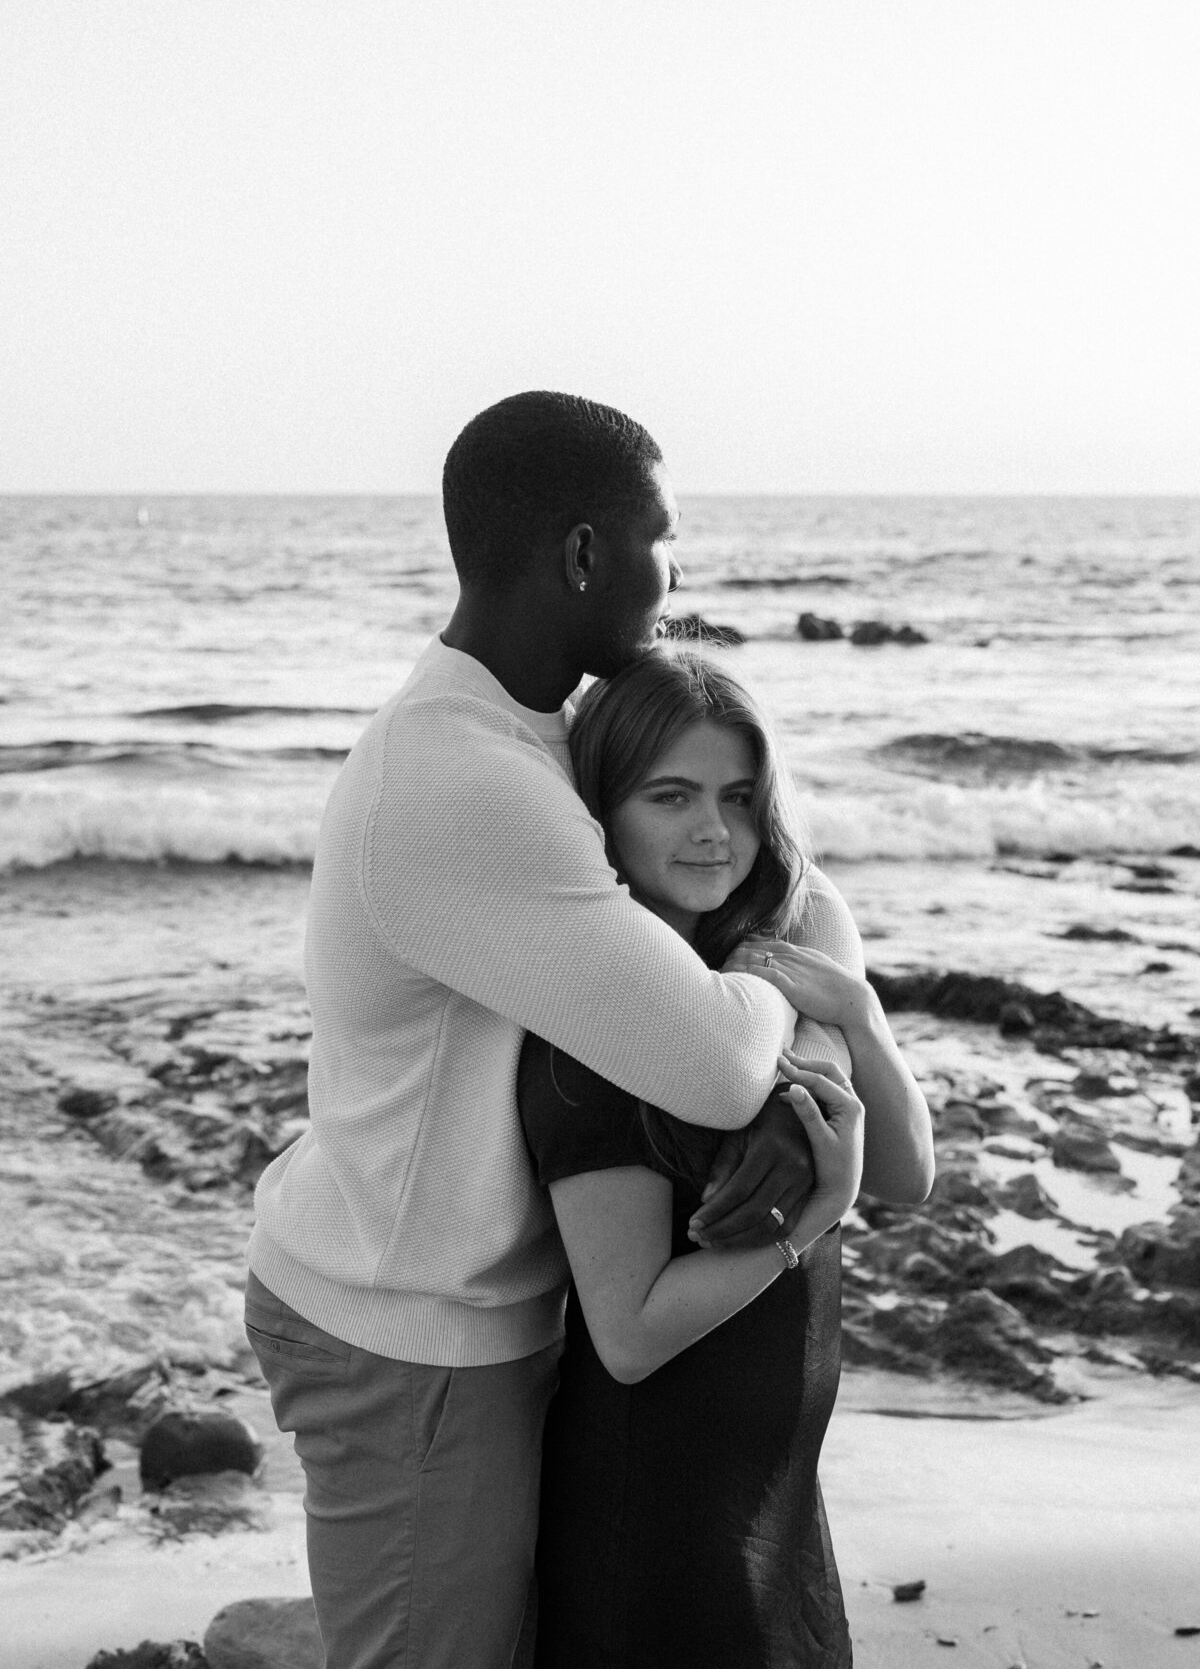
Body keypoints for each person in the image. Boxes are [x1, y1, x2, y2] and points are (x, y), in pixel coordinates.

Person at [243, 391, 871, 1669]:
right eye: (663, 540)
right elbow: (707, 1058)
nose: (677, 573)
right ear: (586, 554)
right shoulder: (461, 775)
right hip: (406, 1331)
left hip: (470, 1314)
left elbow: (781, 903)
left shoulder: (533, 733)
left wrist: (809, 1043)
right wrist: (792, 1016)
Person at [519, 650, 934, 1669]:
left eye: (740, 799)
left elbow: (910, 1178)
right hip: (660, 1509)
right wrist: (810, 1217)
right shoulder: (600, 1031)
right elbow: (629, 1333)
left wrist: (861, 1016)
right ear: (601, 813)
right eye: (673, 797)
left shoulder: (758, 983)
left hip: (774, 1492)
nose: (715, 831)